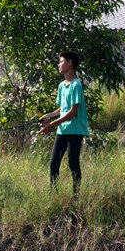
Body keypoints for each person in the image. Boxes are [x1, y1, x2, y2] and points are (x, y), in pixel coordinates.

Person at [39, 51, 87, 193]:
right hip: (63, 130)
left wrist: (52, 125)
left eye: (61, 61)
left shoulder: (76, 85)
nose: (58, 64)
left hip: (75, 131)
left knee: (73, 163)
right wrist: (49, 115)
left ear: (70, 63)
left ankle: (75, 196)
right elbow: (63, 108)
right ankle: (53, 194)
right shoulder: (62, 85)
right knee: (54, 163)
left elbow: (73, 112)